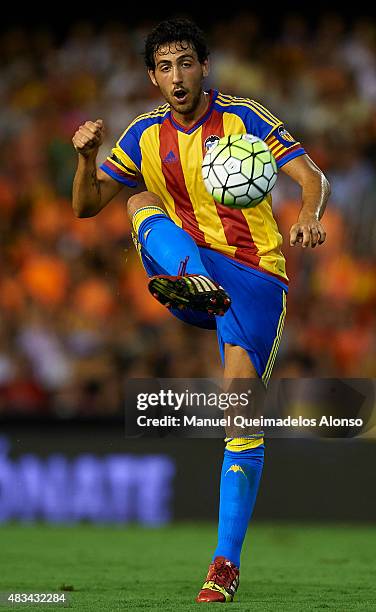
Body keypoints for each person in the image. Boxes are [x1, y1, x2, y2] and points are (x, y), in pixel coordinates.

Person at [72, 18, 329, 604]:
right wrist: (86, 160)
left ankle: (223, 565)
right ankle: (194, 282)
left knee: (240, 412)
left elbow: (310, 177)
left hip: (257, 276)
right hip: (195, 272)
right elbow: (85, 206)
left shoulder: (244, 117)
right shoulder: (142, 134)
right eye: (164, 66)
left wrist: (310, 213)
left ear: (203, 67)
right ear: (152, 76)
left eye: (186, 62)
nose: (176, 75)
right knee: (136, 197)